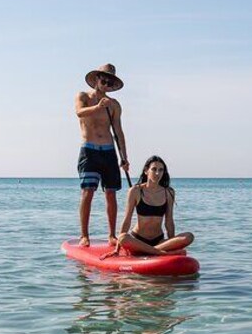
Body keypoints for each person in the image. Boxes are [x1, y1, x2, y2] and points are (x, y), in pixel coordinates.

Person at [75, 63, 129, 247]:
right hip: (89, 149)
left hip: (108, 151)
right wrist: (98, 107)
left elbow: (119, 132)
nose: (105, 84)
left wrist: (124, 157)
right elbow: (79, 113)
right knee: (87, 191)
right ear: (97, 79)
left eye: (109, 82)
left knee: (111, 193)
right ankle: (84, 235)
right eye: (103, 80)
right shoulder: (83, 96)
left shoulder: (114, 105)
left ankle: (112, 235)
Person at [104, 156, 194, 257]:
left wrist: (171, 243)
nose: (157, 173)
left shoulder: (168, 192)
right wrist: (117, 249)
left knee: (189, 236)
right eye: (154, 169)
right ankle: (156, 252)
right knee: (123, 238)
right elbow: (127, 219)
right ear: (146, 171)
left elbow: (169, 221)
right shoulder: (135, 191)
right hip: (138, 240)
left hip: (159, 241)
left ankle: (151, 251)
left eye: (161, 170)